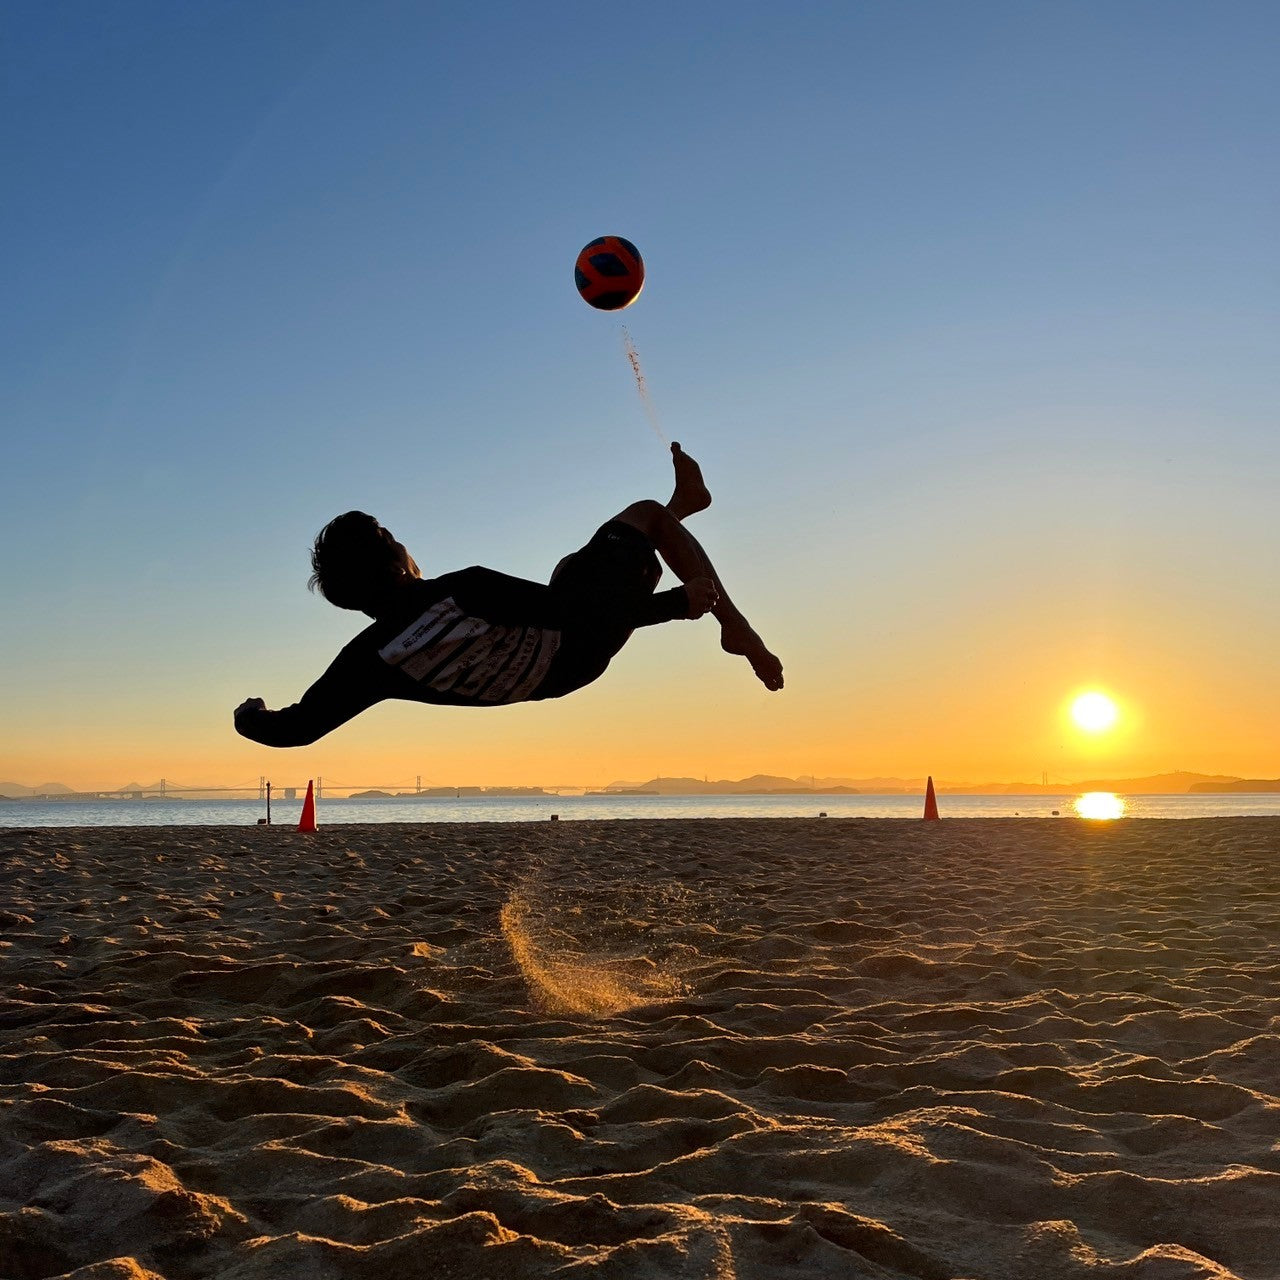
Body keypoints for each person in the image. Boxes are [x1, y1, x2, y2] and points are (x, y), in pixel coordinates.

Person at [234, 443, 783, 748]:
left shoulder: (368, 659)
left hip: (552, 679)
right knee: (642, 517)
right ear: (397, 564)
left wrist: (249, 717)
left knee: (572, 568)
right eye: (393, 539)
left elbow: (298, 729)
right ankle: (737, 627)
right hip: (578, 640)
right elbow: (576, 615)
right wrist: (676, 606)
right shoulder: (463, 590)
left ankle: (678, 510)